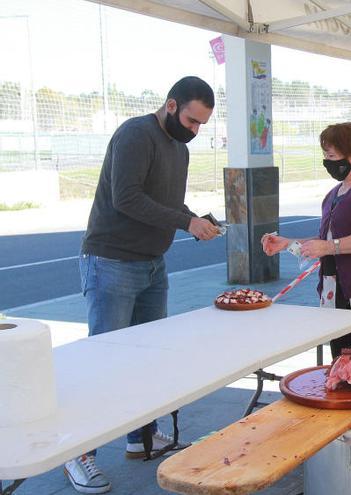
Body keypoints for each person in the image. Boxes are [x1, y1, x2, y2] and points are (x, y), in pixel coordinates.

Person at [67, 76, 220, 494]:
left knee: (147, 358)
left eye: (202, 124)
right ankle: (79, 454)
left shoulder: (179, 148)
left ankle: (141, 438)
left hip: (152, 265)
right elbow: (127, 198)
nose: (194, 130)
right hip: (111, 261)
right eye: (191, 120)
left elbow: (168, 205)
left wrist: (196, 220)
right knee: (103, 361)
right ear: (171, 105)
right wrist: (185, 221)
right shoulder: (136, 134)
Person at [263, 122, 351, 358]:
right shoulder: (334, 193)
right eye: (325, 155)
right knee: (340, 361)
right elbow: (326, 240)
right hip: (334, 291)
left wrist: (329, 247)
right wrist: (287, 244)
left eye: (331, 155)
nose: (327, 161)